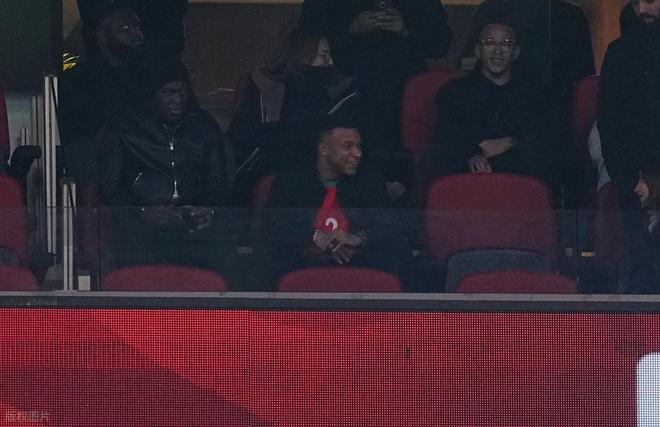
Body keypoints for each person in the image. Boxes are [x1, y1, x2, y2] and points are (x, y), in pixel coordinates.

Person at [99, 59, 235, 278]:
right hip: (142, 222)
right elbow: (110, 186)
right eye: (168, 93)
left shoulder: (203, 125)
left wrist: (208, 209)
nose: (177, 100)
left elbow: (218, 182)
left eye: (182, 92)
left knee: (223, 244)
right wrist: (141, 211)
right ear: (151, 95)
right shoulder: (124, 127)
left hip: (194, 222)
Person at [299, 0, 453, 183]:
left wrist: (406, 29)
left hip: (405, 93)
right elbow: (306, 39)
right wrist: (352, 28)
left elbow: (441, 44)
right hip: (345, 92)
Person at [263, 113, 410, 286]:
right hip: (304, 264)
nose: (358, 153)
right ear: (324, 149)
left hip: (357, 264)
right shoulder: (291, 180)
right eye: (348, 146)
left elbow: (390, 225)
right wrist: (316, 237)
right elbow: (274, 226)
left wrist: (357, 239)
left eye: (358, 146)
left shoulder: (370, 180)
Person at [428, 18, 558, 185]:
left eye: (506, 44)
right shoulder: (454, 93)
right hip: (466, 179)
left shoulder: (537, 95)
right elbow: (446, 140)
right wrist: (471, 156)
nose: (498, 51)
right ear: (478, 51)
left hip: (519, 179)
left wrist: (511, 142)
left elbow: (548, 139)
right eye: (489, 43)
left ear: (516, 52)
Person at [598, 0, 660, 292]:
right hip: (636, 182)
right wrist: (631, 180)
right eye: (639, 2)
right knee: (641, 271)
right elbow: (610, 124)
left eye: (651, 1)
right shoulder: (620, 52)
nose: (643, 10)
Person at [59, 1, 145, 186]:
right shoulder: (78, 80)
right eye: (125, 28)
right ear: (102, 36)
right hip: (97, 162)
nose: (136, 33)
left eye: (137, 26)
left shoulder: (146, 78)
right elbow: (76, 134)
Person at [461, 0, 594, 101]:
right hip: (496, 104)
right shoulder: (490, 10)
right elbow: (468, 65)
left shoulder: (571, 15)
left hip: (553, 110)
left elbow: (586, 85)